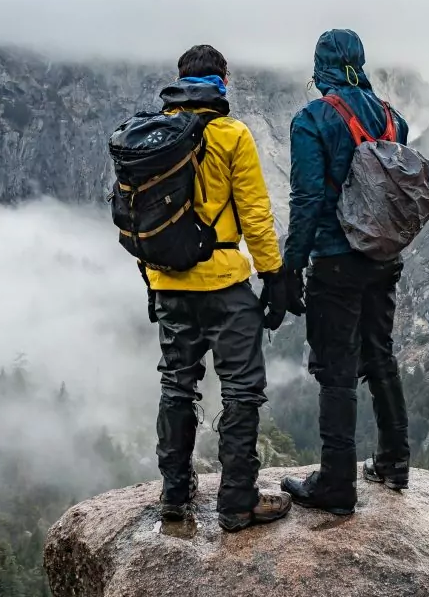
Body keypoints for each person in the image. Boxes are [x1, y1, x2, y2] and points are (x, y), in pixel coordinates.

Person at [146, 44, 295, 532]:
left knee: (176, 385)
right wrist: (273, 276)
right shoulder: (231, 134)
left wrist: (153, 281)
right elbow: (254, 215)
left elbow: (140, 223)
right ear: (222, 82)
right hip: (225, 284)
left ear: (180, 80)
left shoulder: (151, 138)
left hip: (168, 283)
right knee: (242, 392)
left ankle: (174, 495)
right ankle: (236, 503)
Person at [279, 29, 412, 515]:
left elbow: (308, 199)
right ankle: (395, 462)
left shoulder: (313, 120)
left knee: (335, 370)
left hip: (336, 261)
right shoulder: (394, 119)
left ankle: (337, 484)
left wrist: (290, 267)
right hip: (384, 258)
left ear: (322, 68)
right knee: (380, 353)